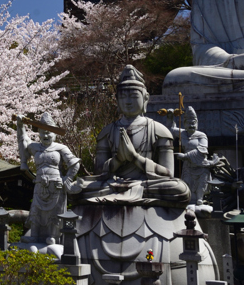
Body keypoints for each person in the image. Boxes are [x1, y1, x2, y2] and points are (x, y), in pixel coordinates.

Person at [71, 65, 191, 206]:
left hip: (147, 184)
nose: (128, 102)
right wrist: (119, 159)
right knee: (77, 188)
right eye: (123, 96)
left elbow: (168, 173)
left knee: (179, 189)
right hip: (113, 184)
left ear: (146, 98)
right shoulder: (107, 132)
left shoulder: (159, 130)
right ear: (116, 100)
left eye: (134, 96)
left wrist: (135, 158)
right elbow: (99, 173)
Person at [16, 112, 80, 245]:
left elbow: (74, 164)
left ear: (54, 134)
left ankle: (52, 236)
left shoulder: (61, 148)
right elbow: (23, 141)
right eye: (42, 132)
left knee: (54, 211)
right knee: (36, 211)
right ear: (38, 133)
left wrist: (67, 179)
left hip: (55, 185)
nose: (45, 136)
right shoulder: (35, 148)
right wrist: (20, 125)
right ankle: (34, 235)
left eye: (48, 133)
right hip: (39, 184)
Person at [170, 107, 219, 205]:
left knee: (201, 186)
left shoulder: (201, 135)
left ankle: (200, 199)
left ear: (197, 123)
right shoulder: (182, 133)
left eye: (193, 123)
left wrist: (185, 156)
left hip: (201, 166)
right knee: (187, 183)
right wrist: (170, 117)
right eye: (189, 123)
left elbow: (202, 150)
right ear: (184, 123)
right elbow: (170, 130)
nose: (191, 125)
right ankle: (190, 199)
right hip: (188, 166)